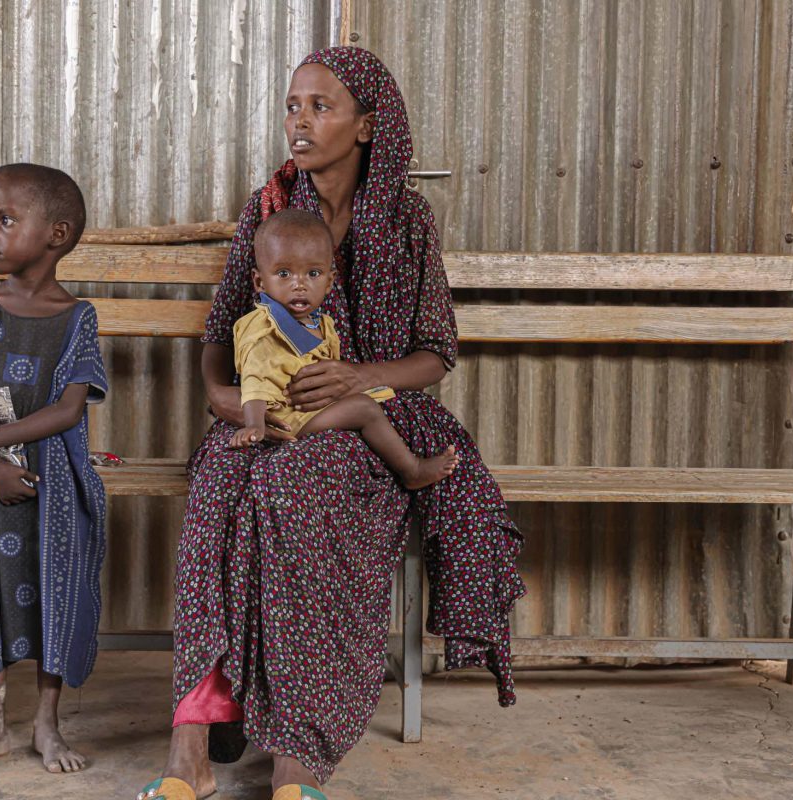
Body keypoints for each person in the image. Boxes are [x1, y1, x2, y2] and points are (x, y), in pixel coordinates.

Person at [138, 47, 526, 800]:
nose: (300, 121)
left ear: (369, 124)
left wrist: (363, 376)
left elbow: (435, 353)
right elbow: (221, 331)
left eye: (320, 106)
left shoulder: (406, 218)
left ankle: (299, 756)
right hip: (266, 409)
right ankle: (190, 741)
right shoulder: (269, 208)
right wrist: (221, 397)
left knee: (301, 486)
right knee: (222, 479)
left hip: (366, 419)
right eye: (292, 105)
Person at [0, 163, 108, 778]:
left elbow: (66, 410)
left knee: (52, 587)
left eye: (5, 220)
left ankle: (46, 722)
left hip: (52, 479)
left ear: (56, 234)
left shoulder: (78, 318)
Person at [228, 207, 459, 491]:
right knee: (364, 409)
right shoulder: (263, 327)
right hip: (285, 417)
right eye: (284, 273)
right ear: (260, 282)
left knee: (372, 404)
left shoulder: (321, 323)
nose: (299, 285)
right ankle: (411, 469)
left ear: (329, 282)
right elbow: (254, 378)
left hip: (310, 409)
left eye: (312, 273)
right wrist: (254, 426)